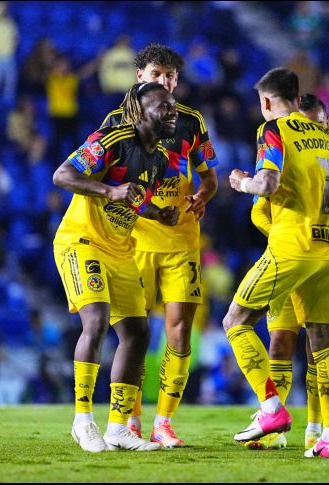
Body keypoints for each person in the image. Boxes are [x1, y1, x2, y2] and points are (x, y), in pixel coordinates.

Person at [226, 67, 329, 459]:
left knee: (235, 320)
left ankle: (270, 409)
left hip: (292, 246)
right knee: (323, 344)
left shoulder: (274, 130)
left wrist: (241, 183)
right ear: (299, 100)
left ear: (266, 102)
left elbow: (268, 185)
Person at [100, 44, 219, 448]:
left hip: (182, 241)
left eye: (170, 77)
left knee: (180, 332)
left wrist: (204, 194)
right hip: (132, 242)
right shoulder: (117, 123)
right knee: (134, 334)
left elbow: (209, 177)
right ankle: (129, 421)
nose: (164, 82)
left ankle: (163, 422)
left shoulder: (190, 121)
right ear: (139, 76)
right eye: (157, 74)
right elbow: (100, 181)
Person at [52, 81, 179, 453]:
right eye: (162, 107)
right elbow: (63, 175)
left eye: (172, 106)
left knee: (138, 334)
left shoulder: (159, 159)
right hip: (82, 241)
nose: (171, 112)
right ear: (140, 112)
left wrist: (158, 213)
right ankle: (82, 421)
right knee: (96, 321)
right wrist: (109, 191)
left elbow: (132, 200)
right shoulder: (111, 138)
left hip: (120, 249)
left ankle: (119, 427)